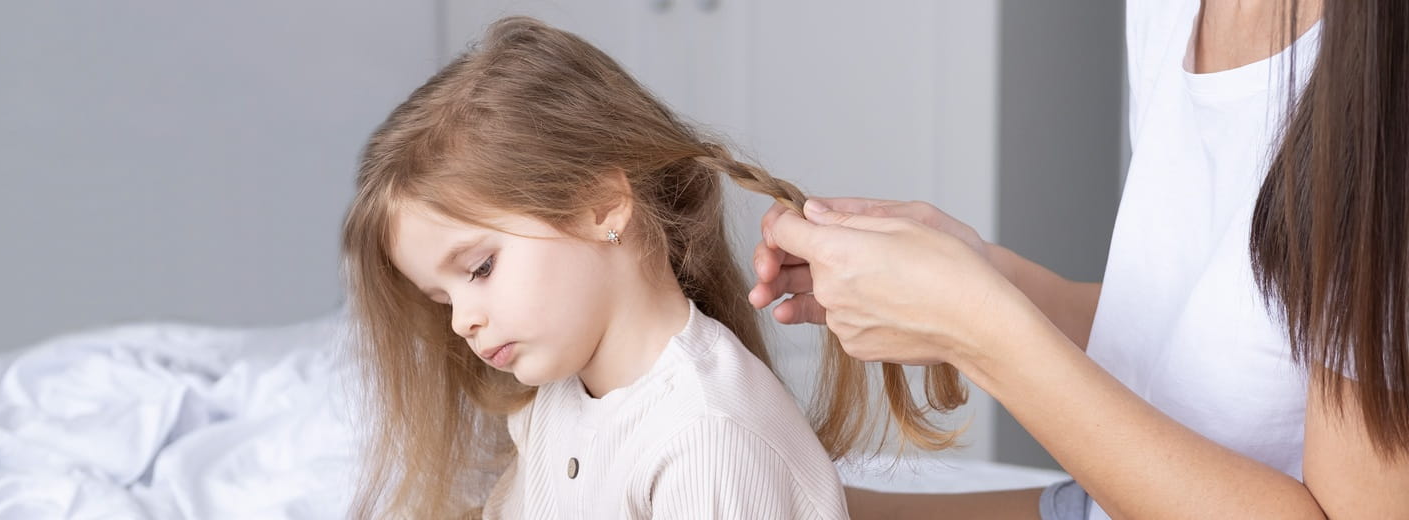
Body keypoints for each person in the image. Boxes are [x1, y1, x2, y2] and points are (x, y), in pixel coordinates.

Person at [751, 0, 1409, 517]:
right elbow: (1215, 344)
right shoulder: (1173, 12)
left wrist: (979, 330)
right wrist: (989, 278)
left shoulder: (1383, 86)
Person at [340, 16, 871, 519]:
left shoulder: (707, 434)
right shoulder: (552, 403)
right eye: (444, 299)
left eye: (480, 269)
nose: (461, 322)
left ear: (600, 204)